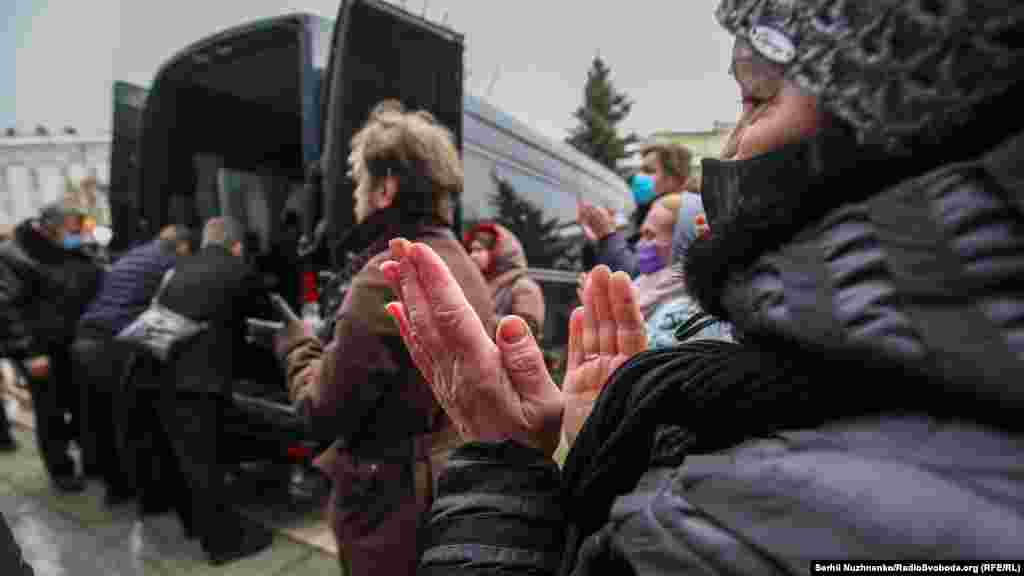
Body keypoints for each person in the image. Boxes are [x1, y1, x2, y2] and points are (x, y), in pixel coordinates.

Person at [380, 0, 1024, 572]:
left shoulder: (759, 514)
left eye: (755, 98)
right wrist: (616, 444)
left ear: (903, 134)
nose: (733, 146)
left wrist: (503, 477)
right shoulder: (828, 388)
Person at [275, 102, 497, 575]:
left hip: (391, 512)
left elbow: (320, 410)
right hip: (448, 493)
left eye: (358, 181)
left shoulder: (387, 274)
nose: (353, 194)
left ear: (386, 188)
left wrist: (299, 346)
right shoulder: (455, 258)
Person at [156, 217, 274, 565]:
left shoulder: (178, 269)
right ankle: (223, 545)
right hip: (199, 383)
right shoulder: (238, 269)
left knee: (187, 461)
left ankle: (197, 526)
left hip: (162, 375)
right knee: (206, 465)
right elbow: (264, 320)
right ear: (236, 246)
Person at [73, 225, 193, 506]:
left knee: (101, 420)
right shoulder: (170, 263)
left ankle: (116, 489)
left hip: (84, 340)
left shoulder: (132, 255)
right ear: (184, 247)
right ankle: (152, 498)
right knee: (133, 422)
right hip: (114, 346)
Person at [0, 201, 103, 492]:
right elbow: (8, 309)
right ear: (50, 228)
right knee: (50, 410)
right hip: (41, 348)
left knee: (84, 404)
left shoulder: (73, 249)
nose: (77, 234)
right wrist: (30, 352)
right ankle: (61, 470)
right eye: (71, 229)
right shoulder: (14, 255)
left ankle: (92, 461)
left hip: (76, 341)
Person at [630, 192, 731, 348]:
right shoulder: (643, 285)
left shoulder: (686, 313)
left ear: (682, 241)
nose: (639, 244)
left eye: (650, 236)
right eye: (642, 234)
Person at [578, 142, 692, 277]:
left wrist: (607, 236)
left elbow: (639, 279)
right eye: (640, 170)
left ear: (674, 178)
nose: (638, 177)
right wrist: (597, 241)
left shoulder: (678, 224)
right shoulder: (635, 218)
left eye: (649, 171)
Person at [465, 222, 546, 338]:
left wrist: (480, 321)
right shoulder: (475, 285)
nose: (472, 256)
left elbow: (526, 329)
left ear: (499, 251)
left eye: (479, 250)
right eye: (471, 251)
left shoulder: (523, 286)